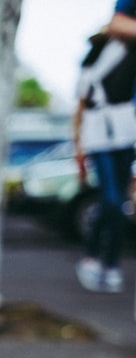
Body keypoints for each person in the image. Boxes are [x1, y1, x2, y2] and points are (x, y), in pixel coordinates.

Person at [73, 31, 136, 293]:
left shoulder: (129, 58)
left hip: (124, 135)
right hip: (98, 137)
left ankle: (109, 265)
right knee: (110, 199)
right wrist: (78, 147)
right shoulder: (90, 71)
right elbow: (79, 109)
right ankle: (90, 257)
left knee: (118, 204)